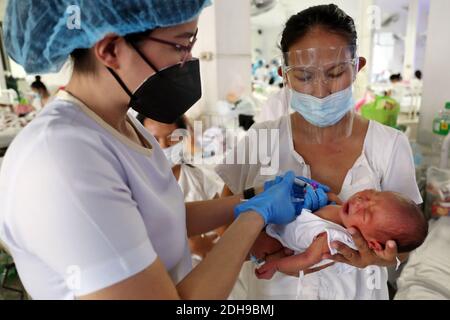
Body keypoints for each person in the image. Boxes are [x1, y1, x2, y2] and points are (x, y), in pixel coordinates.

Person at [0, 0, 328, 300]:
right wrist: (256, 215)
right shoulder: (61, 158)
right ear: (111, 49)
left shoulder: (124, 125)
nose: (188, 61)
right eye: (181, 45)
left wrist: (252, 197)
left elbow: (163, 217)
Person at [216, 4, 422, 299]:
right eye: (304, 76)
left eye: (336, 72)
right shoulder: (262, 138)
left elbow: (405, 237)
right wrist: (255, 245)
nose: (321, 90)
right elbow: (221, 214)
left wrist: (377, 258)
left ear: (357, 67)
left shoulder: (389, 145)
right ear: (284, 77)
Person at [256, 190, 428, 299]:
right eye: (372, 194)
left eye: (366, 213)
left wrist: (276, 266)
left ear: (373, 244)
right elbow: (328, 201)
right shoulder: (342, 212)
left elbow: (308, 258)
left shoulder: (334, 238)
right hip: (268, 223)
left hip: (277, 243)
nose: (360, 201)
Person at [137, 114, 224, 261]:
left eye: (172, 138)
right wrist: (190, 246)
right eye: (154, 139)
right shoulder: (135, 184)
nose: (163, 146)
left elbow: (221, 221)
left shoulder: (196, 176)